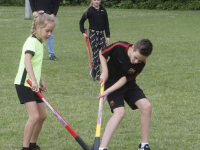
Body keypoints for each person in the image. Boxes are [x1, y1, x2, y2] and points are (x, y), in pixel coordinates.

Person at [98, 39, 153, 150]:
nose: (136, 61)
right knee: (120, 113)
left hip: (127, 82)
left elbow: (124, 80)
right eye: (135, 57)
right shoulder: (119, 46)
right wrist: (105, 71)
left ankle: (144, 145)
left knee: (147, 106)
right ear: (132, 47)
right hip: (111, 81)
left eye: (140, 60)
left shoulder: (141, 64)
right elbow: (102, 53)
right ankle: (102, 148)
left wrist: (107, 92)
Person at [14, 11, 55, 150]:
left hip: (33, 83)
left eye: (51, 31)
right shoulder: (31, 41)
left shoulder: (39, 42)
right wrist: (34, 80)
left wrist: (40, 79)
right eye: (47, 31)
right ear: (38, 28)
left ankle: (32, 144)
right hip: (25, 84)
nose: (49, 34)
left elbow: (35, 64)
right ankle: (25, 148)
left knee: (42, 115)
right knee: (34, 116)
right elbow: (27, 62)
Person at [79, 0, 110, 81]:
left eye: (98, 0)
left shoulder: (103, 10)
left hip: (101, 34)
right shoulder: (89, 11)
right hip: (93, 34)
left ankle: (93, 66)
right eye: (94, 0)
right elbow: (81, 22)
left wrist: (108, 36)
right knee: (96, 53)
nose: (96, 1)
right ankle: (98, 74)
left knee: (103, 53)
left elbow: (106, 24)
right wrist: (83, 32)